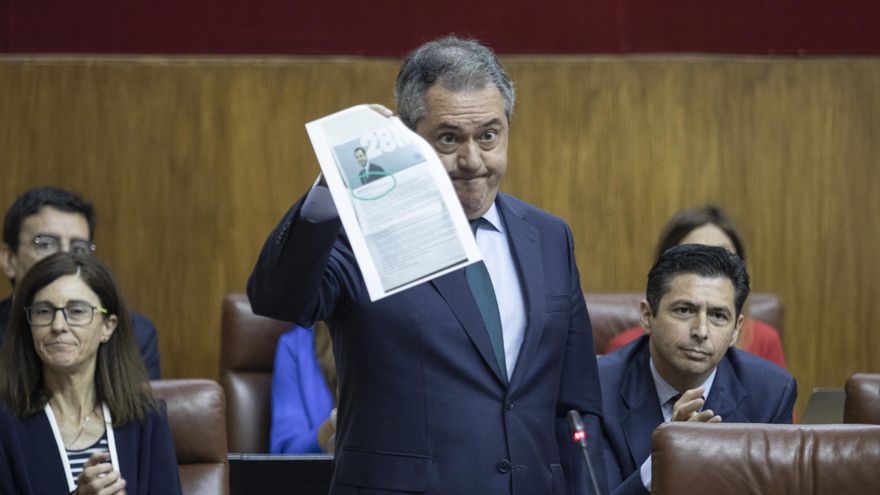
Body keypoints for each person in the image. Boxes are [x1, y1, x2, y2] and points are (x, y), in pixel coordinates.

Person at [248, 36, 605, 494]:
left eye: (489, 136)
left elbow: (576, 406)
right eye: (449, 138)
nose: (472, 161)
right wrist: (330, 189)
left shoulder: (550, 237)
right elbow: (279, 298)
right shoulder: (360, 234)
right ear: (406, 139)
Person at [600, 244, 796, 495]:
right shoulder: (598, 388)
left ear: (736, 329)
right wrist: (663, 463)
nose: (701, 331)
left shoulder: (771, 393)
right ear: (648, 316)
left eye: (717, 316)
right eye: (684, 310)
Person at [0, 252, 181, 494]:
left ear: (107, 326)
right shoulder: (6, 423)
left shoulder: (147, 419)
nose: (58, 326)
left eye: (77, 311)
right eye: (43, 311)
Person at [0, 187, 161, 378]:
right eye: (46, 244)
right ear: (9, 259)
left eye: (78, 248)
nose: (65, 257)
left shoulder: (134, 334)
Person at [605, 205, 787, 368]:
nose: (701, 331)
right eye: (684, 310)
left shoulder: (765, 343)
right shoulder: (624, 349)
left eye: (723, 256)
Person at [270, 322, 338, 453]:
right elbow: (286, 453)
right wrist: (334, 424)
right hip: (322, 471)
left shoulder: (384, 338)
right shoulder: (295, 345)